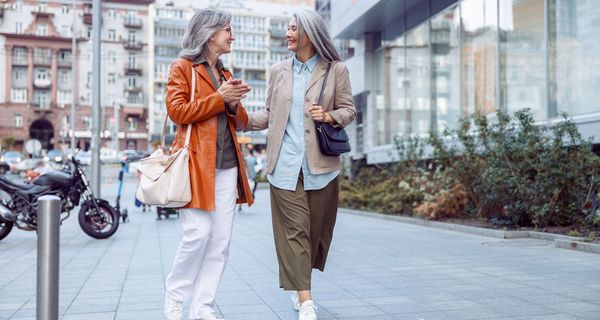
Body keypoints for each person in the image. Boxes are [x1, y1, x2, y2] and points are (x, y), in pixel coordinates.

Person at [244, 9, 356, 320]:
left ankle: (299, 282)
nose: (288, 34)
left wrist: (329, 116)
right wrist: (240, 118)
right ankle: (306, 302)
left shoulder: (335, 70)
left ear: (308, 33)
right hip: (284, 167)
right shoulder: (278, 70)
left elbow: (349, 110)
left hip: (321, 167)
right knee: (295, 232)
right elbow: (268, 114)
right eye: (288, 29)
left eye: (293, 28)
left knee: (314, 233)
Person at [163, 9, 254, 320]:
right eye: (227, 30)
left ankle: (202, 308)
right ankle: (175, 296)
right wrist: (219, 97)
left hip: (227, 166)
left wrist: (232, 101)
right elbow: (177, 112)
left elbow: (239, 122)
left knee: (220, 241)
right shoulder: (183, 68)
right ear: (209, 33)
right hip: (194, 166)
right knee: (198, 234)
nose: (232, 36)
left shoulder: (226, 75)